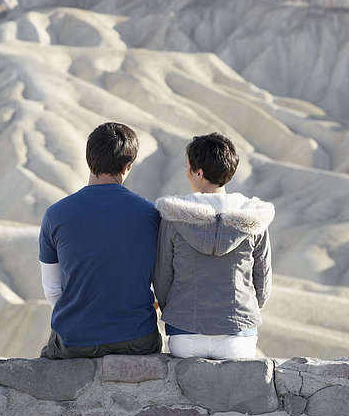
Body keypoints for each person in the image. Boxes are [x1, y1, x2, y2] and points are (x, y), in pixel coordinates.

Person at [39, 122, 162, 359]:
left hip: (75, 341)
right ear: (127, 166)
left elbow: (53, 291)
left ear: (89, 159)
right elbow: (162, 282)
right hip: (137, 340)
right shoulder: (152, 214)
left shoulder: (55, 215)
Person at [153, 132, 274, 359]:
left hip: (184, 335)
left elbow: (162, 280)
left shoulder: (173, 217)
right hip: (238, 336)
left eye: (187, 166)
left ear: (198, 172)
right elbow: (263, 285)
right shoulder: (253, 217)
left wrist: (180, 312)